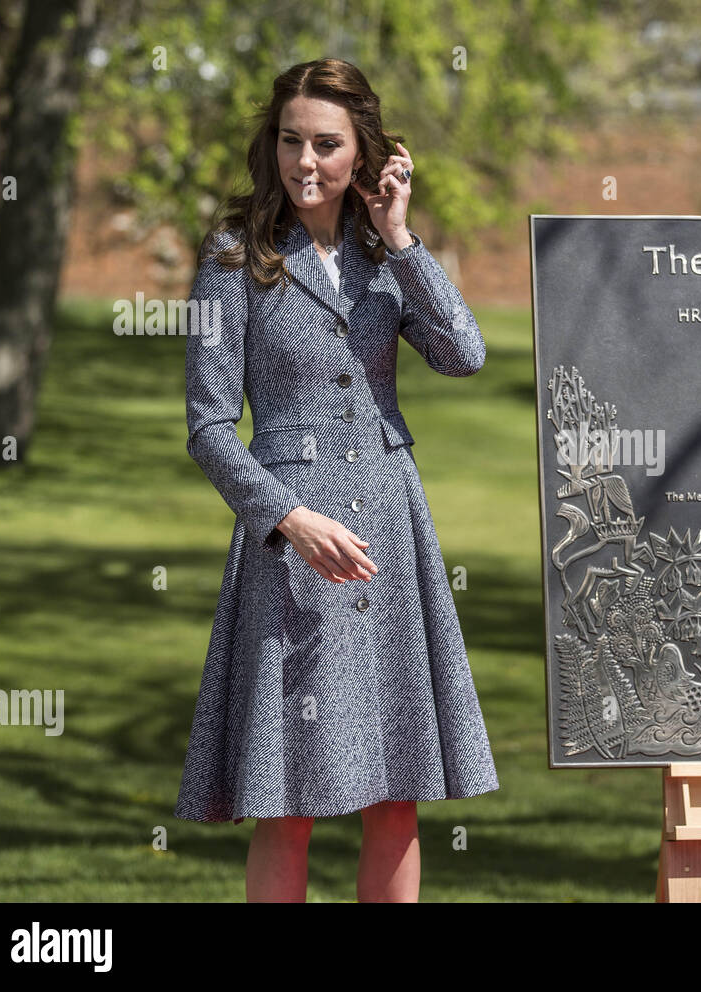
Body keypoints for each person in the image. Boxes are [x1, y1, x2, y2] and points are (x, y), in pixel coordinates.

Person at [173, 58, 499, 903]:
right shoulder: (232, 252)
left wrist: (400, 235)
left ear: (364, 153)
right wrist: (286, 519)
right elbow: (208, 426)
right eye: (291, 141)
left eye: (326, 144)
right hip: (292, 551)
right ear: (270, 143)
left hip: (392, 531)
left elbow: (464, 354)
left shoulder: (380, 252)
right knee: (288, 804)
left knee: (397, 798)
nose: (305, 162)